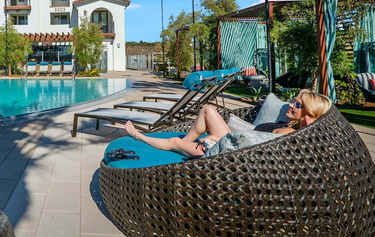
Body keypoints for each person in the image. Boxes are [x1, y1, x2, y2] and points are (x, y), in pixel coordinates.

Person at [124, 89, 331, 159]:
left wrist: (216, 142)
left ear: (309, 115)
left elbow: (253, 151)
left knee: (172, 142)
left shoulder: (289, 134)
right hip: (232, 139)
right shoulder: (290, 123)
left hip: (226, 153)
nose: (291, 104)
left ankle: (139, 136)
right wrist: (302, 105)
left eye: (297, 105)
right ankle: (188, 142)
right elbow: (305, 95)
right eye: (293, 100)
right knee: (208, 110)